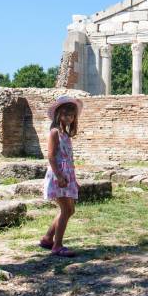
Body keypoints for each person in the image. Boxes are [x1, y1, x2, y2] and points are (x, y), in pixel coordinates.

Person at [39, 96, 83, 257]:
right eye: (65, 115)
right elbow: (51, 156)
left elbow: (69, 160)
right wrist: (59, 176)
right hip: (58, 176)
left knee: (69, 210)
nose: (69, 118)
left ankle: (47, 238)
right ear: (58, 115)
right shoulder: (55, 133)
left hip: (67, 175)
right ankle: (57, 246)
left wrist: (74, 179)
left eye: (71, 115)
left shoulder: (66, 134)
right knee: (67, 209)